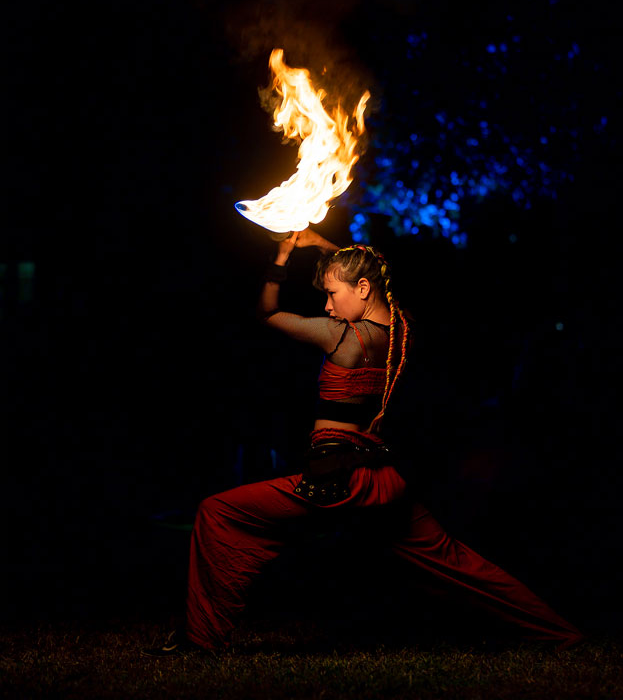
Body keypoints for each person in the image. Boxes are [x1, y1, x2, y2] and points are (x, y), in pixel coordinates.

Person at [143, 228, 582, 656]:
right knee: (454, 560)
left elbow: (266, 313)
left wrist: (280, 260)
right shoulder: (401, 331)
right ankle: (559, 632)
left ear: (363, 288)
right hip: (385, 479)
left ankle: (201, 640)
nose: (329, 306)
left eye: (334, 294)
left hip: (340, 481)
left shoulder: (342, 337)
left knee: (217, 511)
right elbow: (373, 280)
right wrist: (326, 248)